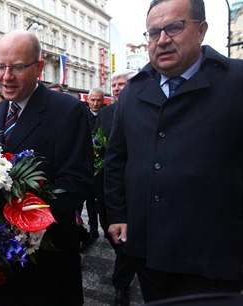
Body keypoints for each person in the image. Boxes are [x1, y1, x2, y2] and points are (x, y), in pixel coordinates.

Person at [105, 0, 243, 303]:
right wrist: (117, 214)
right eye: (153, 33)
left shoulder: (235, 81)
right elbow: (116, 160)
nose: (162, 40)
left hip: (214, 256)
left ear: (201, 31)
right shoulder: (133, 92)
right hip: (150, 252)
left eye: (174, 28)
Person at [0, 29, 93, 306]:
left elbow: (77, 182)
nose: (6, 76)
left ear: (39, 67)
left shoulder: (68, 110)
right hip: (5, 256)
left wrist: (24, 218)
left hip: (50, 256)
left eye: (18, 67)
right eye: (1, 66)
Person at [93, 69, 137, 306]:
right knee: (107, 224)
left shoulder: (141, 109)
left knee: (126, 238)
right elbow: (96, 143)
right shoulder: (105, 113)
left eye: (123, 83)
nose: (118, 87)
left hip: (134, 183)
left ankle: (121, 283)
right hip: (106, 181)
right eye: (115, 84)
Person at [80, 87, 106, 252]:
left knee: (101, 200)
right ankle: (93, 230)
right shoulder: (82, 116)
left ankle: (104, 226)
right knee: (88, 199)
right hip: (86, 165)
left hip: (102, 166)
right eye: (93, 100)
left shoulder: (107, 115)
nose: (95, 103)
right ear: (87, 100)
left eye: (98, 100)